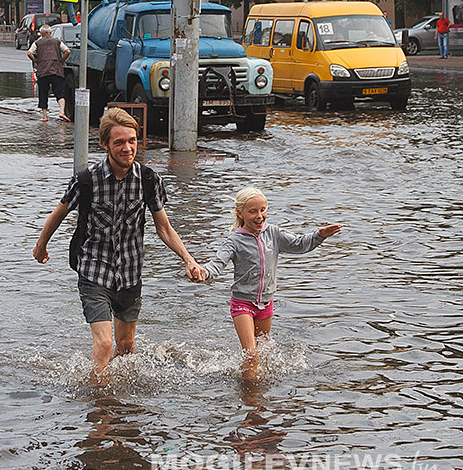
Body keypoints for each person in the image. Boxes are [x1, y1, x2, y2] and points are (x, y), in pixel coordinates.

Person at [33, 108, 205, 383]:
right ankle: (100, 413)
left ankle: (120, 407)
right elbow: (59, 213)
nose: (127, 148)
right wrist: (41, 246)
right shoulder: (86, 180)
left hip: (130, 272)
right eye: (119, 142)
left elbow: (163, 227)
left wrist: (188, 259)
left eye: (132, 141)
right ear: (105, 145)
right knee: (104, 344)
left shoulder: (149, 180)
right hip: (93, 270)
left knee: (126, 348)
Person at [202, 187, 342, 380]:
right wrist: (203, 272)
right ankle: (250, 400)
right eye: (253, 211)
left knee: (264, 357)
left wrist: (319, 236)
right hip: (242, 304)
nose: (260, 216)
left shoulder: (273, 233)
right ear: (240, 213)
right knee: (252, 356)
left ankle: (260, 397)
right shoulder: (233, 241)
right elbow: (216, 265)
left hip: (266, 304)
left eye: (263, 210)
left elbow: (298, 244)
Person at [28, 24, 71, 122]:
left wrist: (36, 61)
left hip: (43, 71)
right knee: (60, 92)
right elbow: (67, 51)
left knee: (43, 93)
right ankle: (61, 112)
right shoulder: (57, 41)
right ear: (50, 33)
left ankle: (44, 116)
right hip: (57, 70)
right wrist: (61, 61)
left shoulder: (37, 43)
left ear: (41, 33)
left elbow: (29, 53)